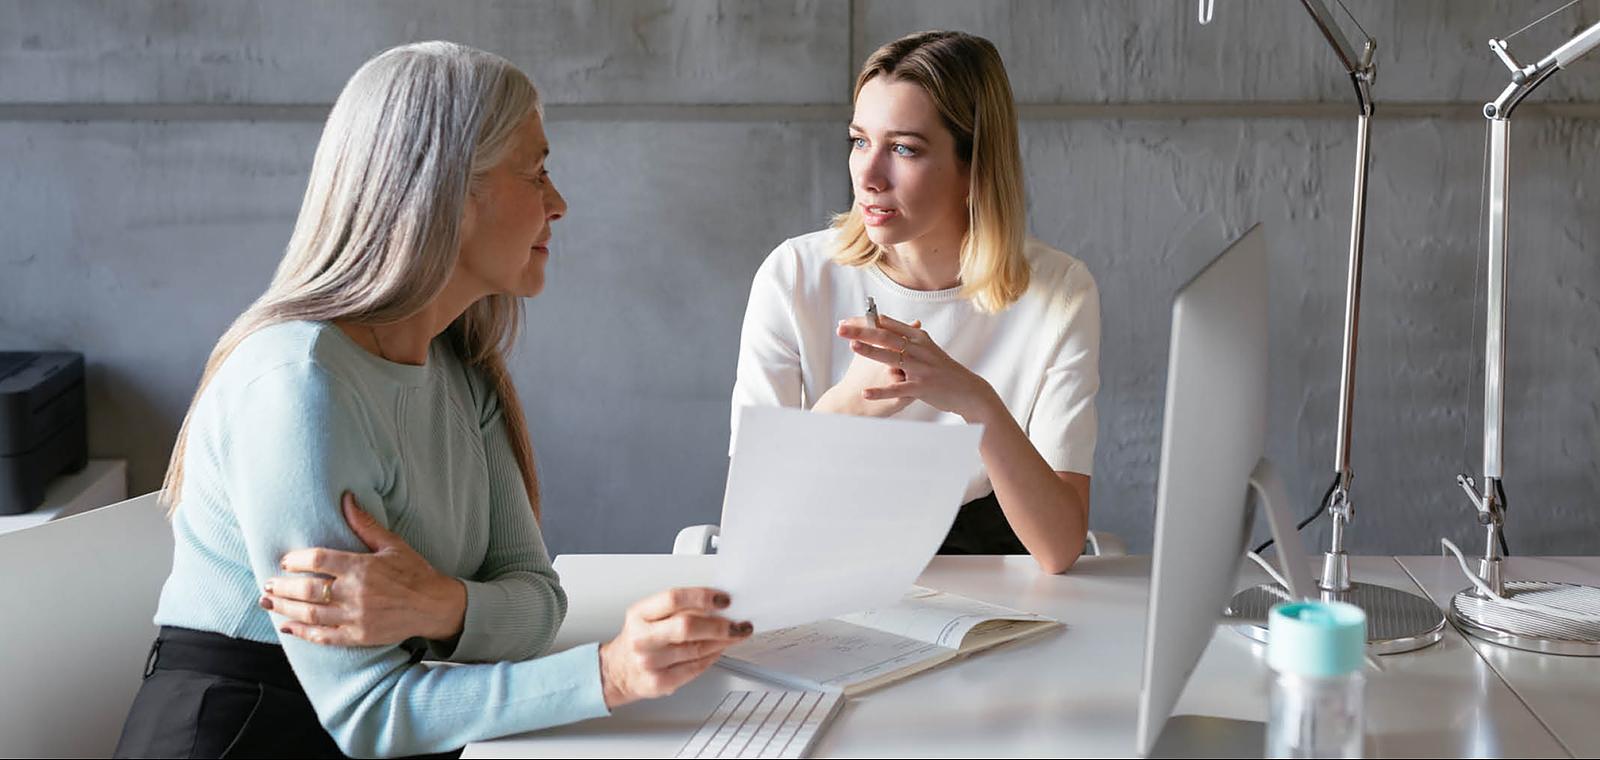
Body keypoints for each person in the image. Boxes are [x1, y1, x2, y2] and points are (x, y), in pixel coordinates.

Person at [115, 41, 748, 759]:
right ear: (448, 189)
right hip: (249, 734)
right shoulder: (300, 387)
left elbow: (538, 601)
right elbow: (368, 712)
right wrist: (612, 674)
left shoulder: (458, 368)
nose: (560, 203)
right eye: (536, 172)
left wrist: (444, 604)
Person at [731, 31, 1101, 574]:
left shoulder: (1061, 292)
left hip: (988, 594)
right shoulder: (793, 276)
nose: (868, 176)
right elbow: (751, 522)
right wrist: (850, 404)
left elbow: (1057, 547)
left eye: (904, 148)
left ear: (974, 168)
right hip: (823, 577)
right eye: (860, 141)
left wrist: (974, 400)